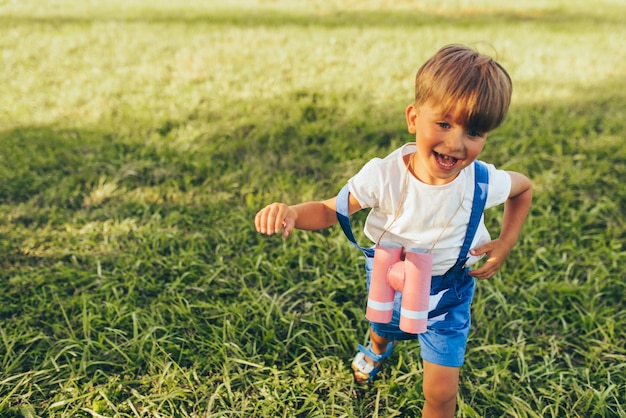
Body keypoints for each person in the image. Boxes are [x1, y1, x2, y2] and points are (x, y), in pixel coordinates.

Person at [254, 44, 532, 417]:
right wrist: (290, 212)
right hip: (389, 278)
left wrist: (508, 240)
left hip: (448, 296)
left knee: (442, 394)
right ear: (414, 118)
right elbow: (329, 209)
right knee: (383, 325)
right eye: (444, 124)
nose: (455, 143)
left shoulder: (481, 181)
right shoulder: (384, 176)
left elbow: (524, 187)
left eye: (474, 131)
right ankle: (378, 348)